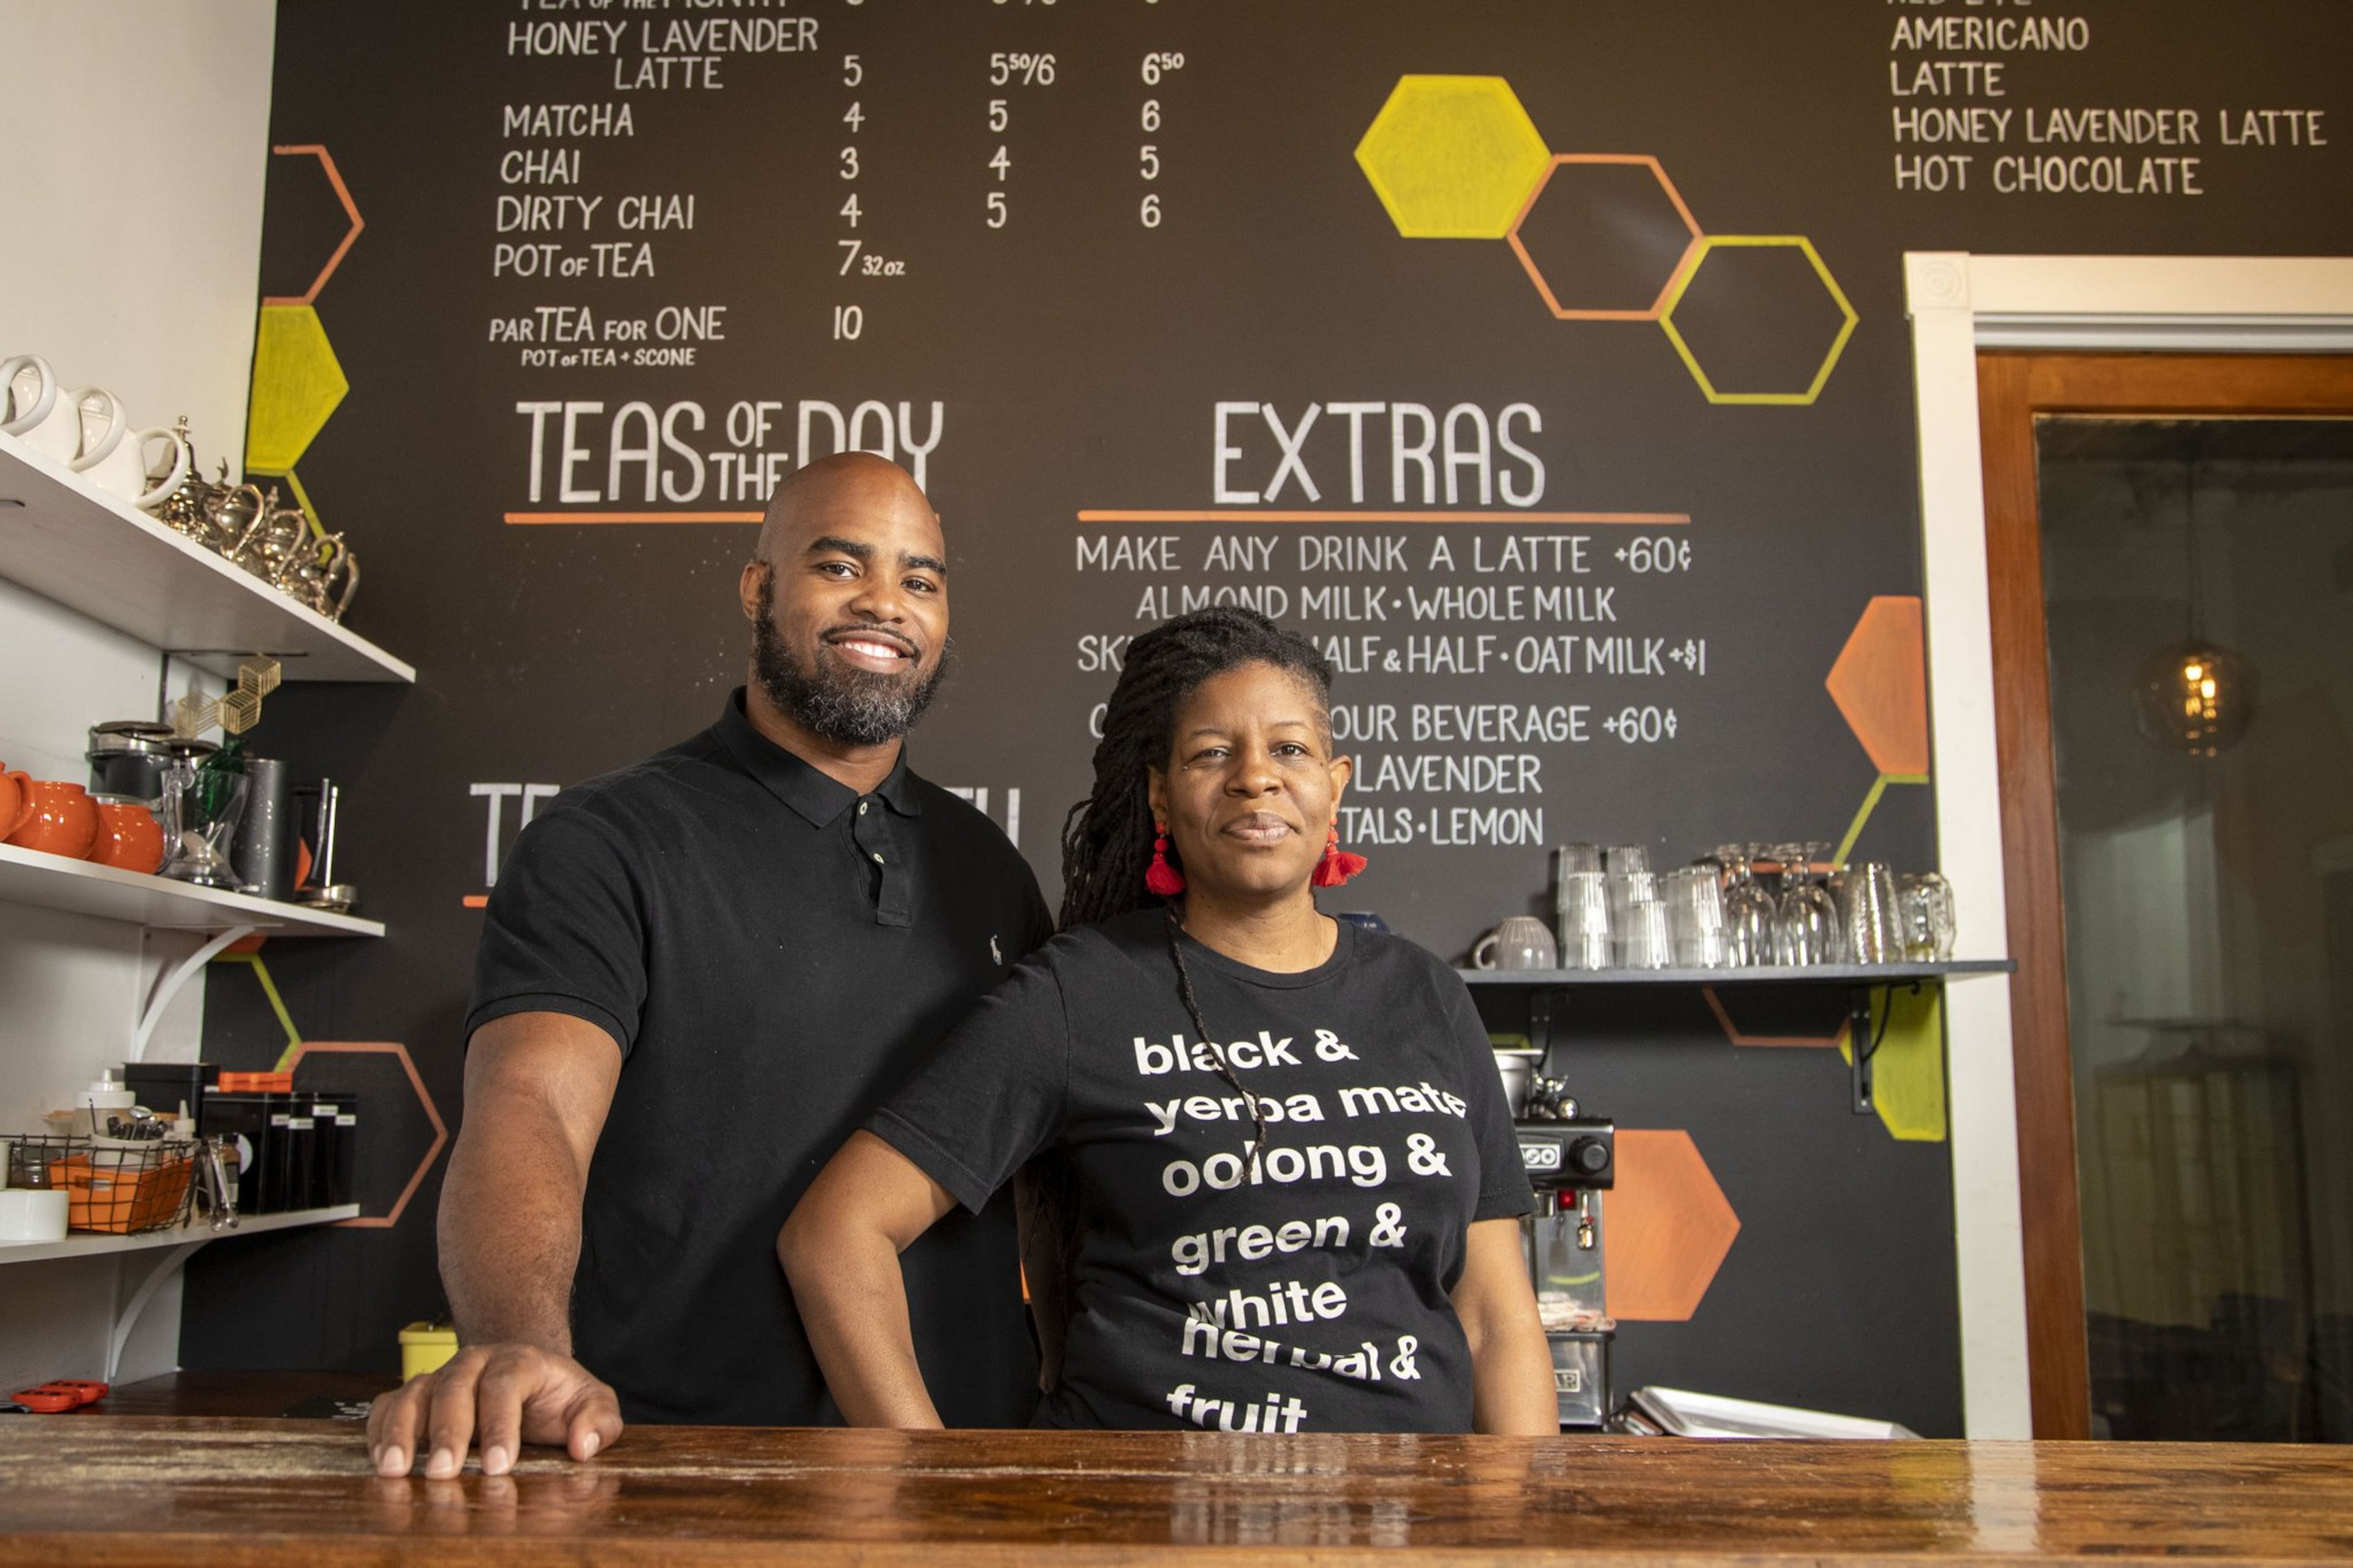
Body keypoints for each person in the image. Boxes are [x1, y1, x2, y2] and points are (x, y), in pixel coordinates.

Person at [367, 453, 1049, 1479]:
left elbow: (1042, 1182)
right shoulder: (611, 838)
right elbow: (530, 1107)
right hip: (689, 1470)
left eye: (920, 579)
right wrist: (522, 1346)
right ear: (757, 587)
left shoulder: (990, 870)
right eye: (839, 565)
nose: (885, 604)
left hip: (964, 1470)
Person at [780, 607, 1556, 1433]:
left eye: (1289, 749)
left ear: (1335, 784)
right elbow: (836, 1234)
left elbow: (1495, 1321)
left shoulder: (1428, 997)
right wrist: (919, 1488)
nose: (1255, 777)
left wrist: (1523, 1530)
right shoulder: (1084, 993)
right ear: (1160, 795)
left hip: (1407, 1533)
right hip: (1149, 1528)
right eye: (1212, 753)